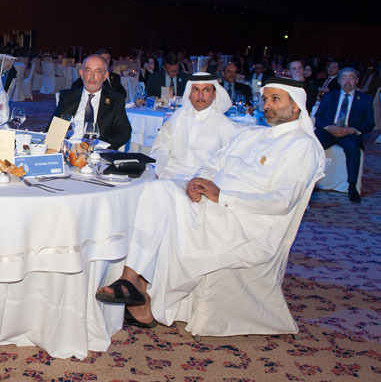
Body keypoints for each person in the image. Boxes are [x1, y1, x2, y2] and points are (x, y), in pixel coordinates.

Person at [95, 77, 325, 330]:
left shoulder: (303, 146)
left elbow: (282, 202)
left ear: (296, 105)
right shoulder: (251, 134)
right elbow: (214, 163)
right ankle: (132, 280)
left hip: (247, 221)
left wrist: (221, 196)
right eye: (265, 99)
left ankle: (141, 299)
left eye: (275, 99)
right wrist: (199, 183)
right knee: (155, 190)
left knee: (165, 208)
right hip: (215, 204)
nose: (267, 105)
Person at [151, 73, 237, 180]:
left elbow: (227, 162)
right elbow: (161, 148)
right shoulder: (178, 118)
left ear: (214, 94)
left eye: (206, 90)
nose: (200, 95)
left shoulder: (225, 125)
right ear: (189, 94)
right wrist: (156, 171)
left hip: (206, 179)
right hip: (170, 175)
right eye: (195, 90)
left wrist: (205, 180)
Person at [313, 67, 375, 203]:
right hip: (329, 131)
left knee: (353, 148)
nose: (347, 81)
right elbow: (319, 117)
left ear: (357, 81)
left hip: (349, 133)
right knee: (312, 145)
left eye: (351, 77)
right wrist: (329, 127)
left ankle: (352, 187)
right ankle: (308, 181)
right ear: (339, 81)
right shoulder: (329, 96)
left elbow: (370, 123)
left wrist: (352, 130)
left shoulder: (365, 100)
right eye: (344, 77)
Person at [53, 54, 131, 150]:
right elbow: (53, 130)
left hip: (97, 150)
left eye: (98, 71)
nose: (92, 76)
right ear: (81, 74)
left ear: (105, 76)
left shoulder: (115, 100)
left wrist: (98, 145)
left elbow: (124, 132)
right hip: (68, 149)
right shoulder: (68, 97)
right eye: (88, 70)